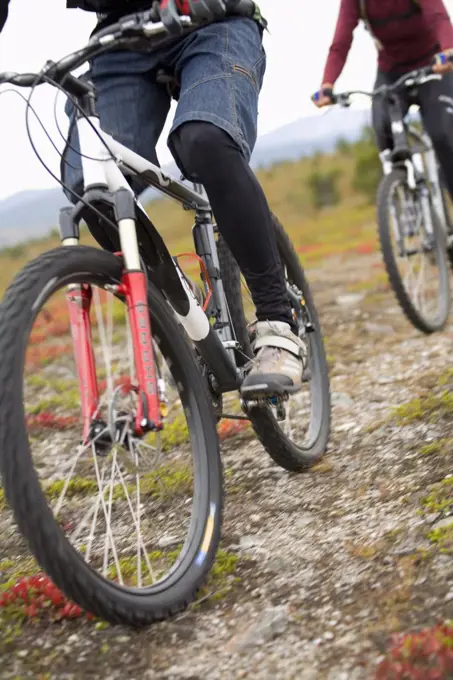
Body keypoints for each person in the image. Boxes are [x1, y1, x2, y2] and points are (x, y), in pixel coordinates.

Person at [0, 0, 307, 397]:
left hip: (213, 19)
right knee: (92, 187)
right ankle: (181, 309)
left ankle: (277, 323)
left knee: (206, 140)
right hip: (121, 39)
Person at [313, 0, 453, 200]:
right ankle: (407, 191)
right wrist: (327, 84)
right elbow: (341, 42)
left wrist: (448, 50)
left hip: (433, 66)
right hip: (391, 73)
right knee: (382, 128)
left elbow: (438, 16)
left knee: (442, 135)